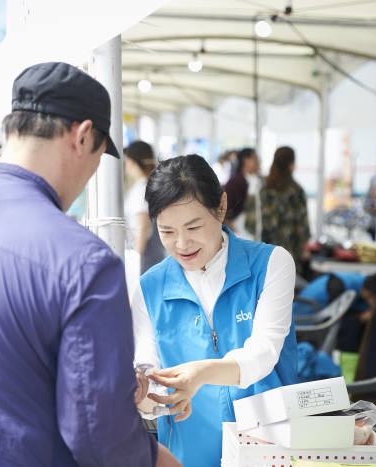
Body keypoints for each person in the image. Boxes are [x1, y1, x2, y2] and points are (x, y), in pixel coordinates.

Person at [0, 62, 178, 466]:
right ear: (82, 136)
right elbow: (99, 435)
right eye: (100, 155)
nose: (94, 171)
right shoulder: (84, 261)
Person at [132, 154, 297, 467]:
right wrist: (143, 395)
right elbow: (148, 372)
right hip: (187, 455)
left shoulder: (271, 264)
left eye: (193, 226)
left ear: (221, 207)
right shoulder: (149, 288)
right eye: (167, 231)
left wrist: (202, 374)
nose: (182, 244)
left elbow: (263, 353)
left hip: (266, 450)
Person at [260, 146, 311, 273]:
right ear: (291, 164)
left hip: (265, 248)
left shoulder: (263, 187)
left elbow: (255, 219)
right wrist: (304, 247)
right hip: (290, 249)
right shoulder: (296, 190)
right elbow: (302, 223)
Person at [124, 140, 165, 273]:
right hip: (154, 254)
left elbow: (143, 226)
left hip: (144, 256)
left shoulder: (141, 189)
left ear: (131, 161)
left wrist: (135, 260)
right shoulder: (150, 185)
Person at [222, 148, 250, 237]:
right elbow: (226, 204)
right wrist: (230, 226)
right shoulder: (237, 181)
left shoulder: (247, 179)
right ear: (245, 160)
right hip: (237, 228)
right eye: (255, 158)